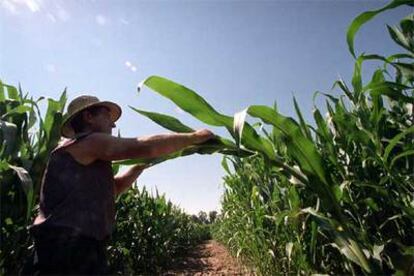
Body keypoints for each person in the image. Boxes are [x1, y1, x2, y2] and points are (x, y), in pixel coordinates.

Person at [28, 95, 214, 275]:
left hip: (78, 247)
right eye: (107, 116)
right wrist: (193, 137)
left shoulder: (87, 153)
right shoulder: (88, 142)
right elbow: (141, 146)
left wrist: (138, 168)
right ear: (88, 117)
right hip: (66, 249)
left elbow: (113, 189)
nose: (113, 123)